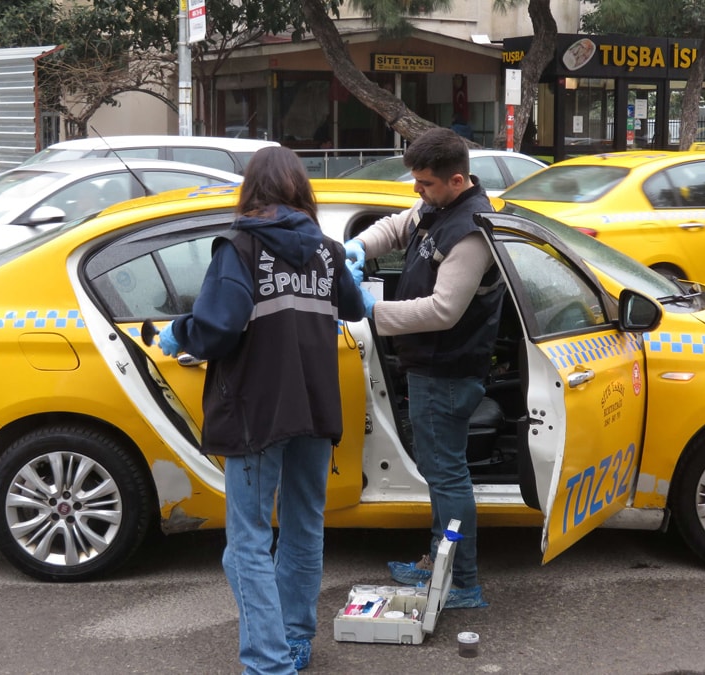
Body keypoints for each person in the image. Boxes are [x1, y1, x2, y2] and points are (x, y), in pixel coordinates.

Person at [156, 145, 367, 673]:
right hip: (316, 409)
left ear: (252, 190)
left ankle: (268, 663)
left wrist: (177, 332)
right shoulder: (326, 251)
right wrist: (349, 266)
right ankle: (294, 641)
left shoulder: (240, 248)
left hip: (258, 412)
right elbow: (355, 308)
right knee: (303, 529)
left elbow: (216, 328)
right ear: (301, 190)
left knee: (247, 542)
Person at [342, 127, 503, 610]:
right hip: (430, 366)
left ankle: (462, 583)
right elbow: (398, 225)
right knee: (438, 472)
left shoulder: (470, 231)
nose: (417, 191)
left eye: (425, 183)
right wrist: (359, 248)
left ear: (456, 180)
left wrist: (370, 313)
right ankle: (439, 560)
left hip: (447, 370)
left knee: (448, 476)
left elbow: (442, 310)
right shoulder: (439, 206)